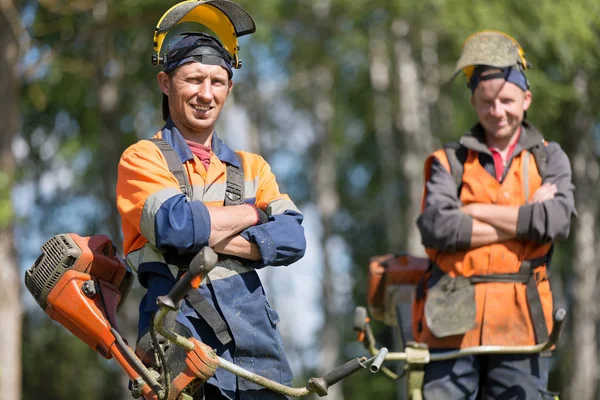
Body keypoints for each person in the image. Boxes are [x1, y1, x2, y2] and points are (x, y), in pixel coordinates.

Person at [116, 26, 306, 400]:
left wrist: (213, 235)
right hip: (178, 341)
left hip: (259, 349)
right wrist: (252, 214)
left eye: (217, 81)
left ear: (229, 89)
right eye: (193, 79)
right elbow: (176, 227)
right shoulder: (143, 158)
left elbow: (293, 238)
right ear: (165, 83)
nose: (206, 93)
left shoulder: (253, 167)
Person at [415, 31, 576, 399]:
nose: (497, 111)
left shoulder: (550, 158)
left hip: (523, 322)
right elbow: (437, 228)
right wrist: (525, 220)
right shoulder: (449, 162)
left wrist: (474, 211)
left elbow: (556, 221)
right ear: (474, 102)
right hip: (450, 322)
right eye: (487, 102)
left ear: (526, 99)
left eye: (507, 100)